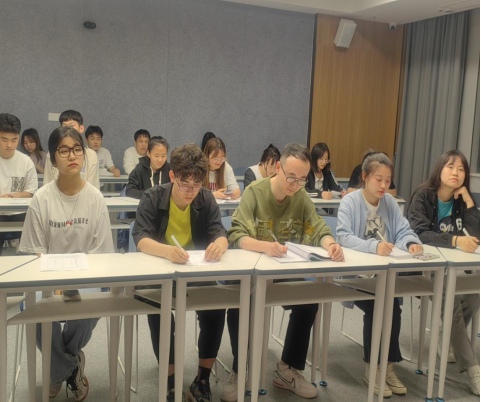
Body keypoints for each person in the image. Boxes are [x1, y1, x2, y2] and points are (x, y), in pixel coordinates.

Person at [225, 144, 344, 400]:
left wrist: (331, 244)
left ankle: (287, 369)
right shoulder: (255, 192)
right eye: (291, 177)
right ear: (278, 168)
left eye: (302, 179)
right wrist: (266, 247)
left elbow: (318, 228)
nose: (295, 185)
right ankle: (241, 368)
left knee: (308, 300)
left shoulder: (300, 195)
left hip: (284, 268)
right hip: (252, 270)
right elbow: (236, 235)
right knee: (239, 304)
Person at [18, 126, 114, 401]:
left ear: (84, 154)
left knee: (88, 309)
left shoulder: (96, 198)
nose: (72, 156)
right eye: (64, 150)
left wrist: (75, 283)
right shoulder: (41, 199)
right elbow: (34, 254)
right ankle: (69, 368)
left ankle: (56, 370)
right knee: (35, 312)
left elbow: (101, 255)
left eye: (77, 149)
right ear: (52, 158)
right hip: (46, 279)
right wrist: (55, 284)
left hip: (86, 279)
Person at [133, 143, 229, 402]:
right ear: (172, 175)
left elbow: (219, 232)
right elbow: (140, 238)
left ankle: (202, 381)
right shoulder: (152, 197)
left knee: (216, 306)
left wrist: (219, 245)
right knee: (160, 311)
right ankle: (171, 381)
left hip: (195, 274)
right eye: (185, 184)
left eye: (196, 185)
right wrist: (166, 251)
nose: (191, 191)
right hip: (161, 274)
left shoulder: (205, 198)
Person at [337, 152, 423, 398]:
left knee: (392, 304)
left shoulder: (390, 203)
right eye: (379, 179)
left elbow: (404, 230)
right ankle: (373, 368)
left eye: (388, 180)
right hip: (355, 277)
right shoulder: (350, 202)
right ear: (364, 177)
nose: (384, 185)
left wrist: (411, 243)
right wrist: (374, 246)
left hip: (384, 277)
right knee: (380, 304)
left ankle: (387, 366)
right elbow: (343, 237)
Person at [408, 150, 480, 396]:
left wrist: (469, 202)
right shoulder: (423, 196)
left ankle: (446, 335)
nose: (455, 173)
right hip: (424, 266)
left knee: (475, 292)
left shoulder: (461, 200)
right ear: (440, 169)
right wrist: (456, 241)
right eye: (450, 167)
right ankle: (473, 368)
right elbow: (419, 233)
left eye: (461, 169)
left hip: (453, 266)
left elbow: (476, 234)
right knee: (450, 297)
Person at [0, 114, 38, 256]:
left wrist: (15, 196)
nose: (9, 145)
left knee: (36, 230)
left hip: (20, 213)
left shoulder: (25, 161)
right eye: (4, 140)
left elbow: (31, 191)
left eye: (14, 140)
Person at [43, 110, 100, 189]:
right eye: (64, 127)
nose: (68, 130)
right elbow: (48, 184)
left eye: (72, 126)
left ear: (81, 128)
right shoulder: (53, 152)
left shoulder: (91, 155)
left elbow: (93, 188)